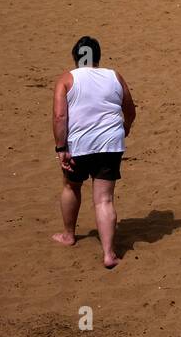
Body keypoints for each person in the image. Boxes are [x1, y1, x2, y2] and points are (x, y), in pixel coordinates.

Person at [50, 36, 136, 269]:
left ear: (76, 57)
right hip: (110, 143)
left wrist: (61, 148)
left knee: (71, 185)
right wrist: (125, 128)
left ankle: (69, 234)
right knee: (104, 200)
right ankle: (109, 253)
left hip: (79, 144)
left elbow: (60, 117)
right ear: (97, 56)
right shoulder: (114, 76)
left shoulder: (67, 79)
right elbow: (129, 108)